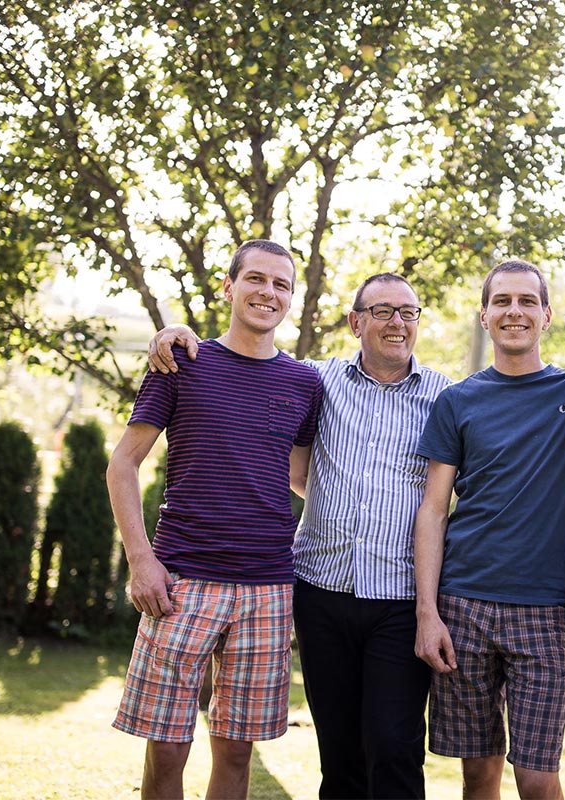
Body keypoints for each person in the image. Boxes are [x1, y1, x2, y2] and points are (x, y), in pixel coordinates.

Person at [148, 273, 451, 799]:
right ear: (356, 322)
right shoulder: (315, 381)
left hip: (400, 597)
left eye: (408, 312)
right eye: (381, 311)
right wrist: (175, 332)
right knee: (338, 754)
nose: (396, 323)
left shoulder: (446, 397)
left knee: (394, 747)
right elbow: (254, 362)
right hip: (320, 592)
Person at [108, 239, 323, 800]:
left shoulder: (305, 383)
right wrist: (141, 561)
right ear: (229, 287)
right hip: (181, 582)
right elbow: (123, 464)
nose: (267, 292)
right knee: (166, 750)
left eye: (280, 284)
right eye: (255, 279)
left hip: (268, 587)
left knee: (235, 752)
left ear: (291, 298)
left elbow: (301, 479)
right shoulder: (182, 361)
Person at [413, 259, 565, 800]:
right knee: (477, 774)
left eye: (527, 301)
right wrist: (427, 612)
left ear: (547, 314)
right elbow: (433, 510)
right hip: (464, 606)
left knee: (537, 779)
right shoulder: (457, 401)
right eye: (503, 302)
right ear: (484, 315)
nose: (515, 311)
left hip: (544, 608)